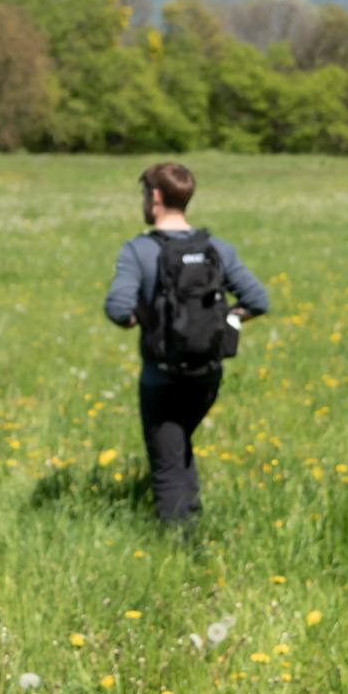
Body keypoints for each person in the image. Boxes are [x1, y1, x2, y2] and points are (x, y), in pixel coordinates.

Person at [104, 162, 269, 526]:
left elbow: (117, 309)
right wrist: (224, 320)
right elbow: (258, 300)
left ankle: (180, 551)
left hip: (161, 376)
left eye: (146, 194)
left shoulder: (139, 250)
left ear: (156, 197)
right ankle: (194, 518)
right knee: (177, 446)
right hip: (207, 375)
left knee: (166, 466)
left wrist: (148, 321)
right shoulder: (217, 249)